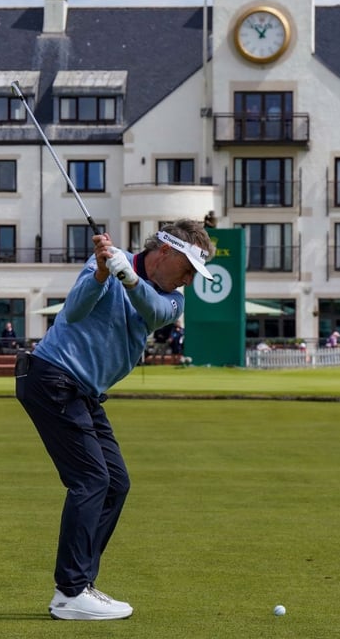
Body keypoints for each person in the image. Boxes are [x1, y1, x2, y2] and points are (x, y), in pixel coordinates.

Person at [16, 218, 213, 621]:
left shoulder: (173, 297)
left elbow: (156, 313)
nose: (189, 280)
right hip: (53, 378)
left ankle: (80, 585)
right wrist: (104, 272)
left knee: (116, 483)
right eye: (188, 269)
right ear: (166, 252)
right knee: (91, 480)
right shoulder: (106, 261)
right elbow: (73, 312)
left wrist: (130, 281)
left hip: (83, 392)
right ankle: (70, 592)